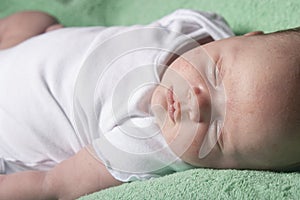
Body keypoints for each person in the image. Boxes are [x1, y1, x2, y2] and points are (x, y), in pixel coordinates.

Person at [0, 9, 299, 200]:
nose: (196, 103)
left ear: (231, 169)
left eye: (216, 132)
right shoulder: (195, 31)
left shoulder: (143, 147)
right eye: (215, 73)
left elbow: (51, 187)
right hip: (25, 46)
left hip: (8, 131)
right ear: (245, 38)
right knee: (34, 18)